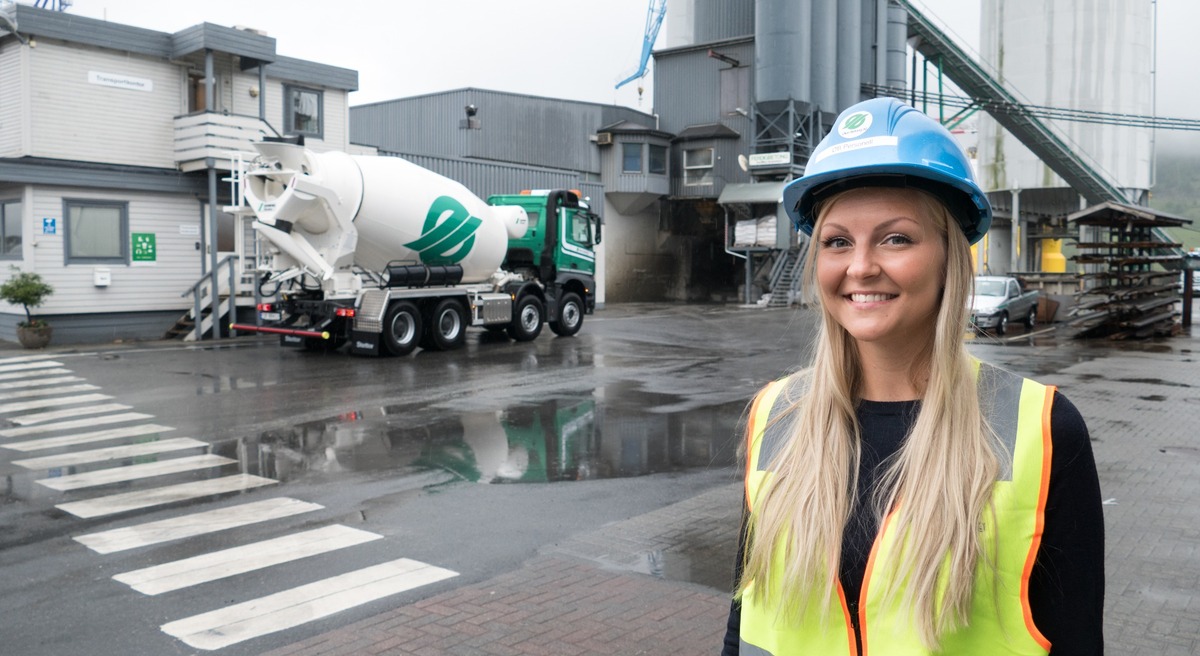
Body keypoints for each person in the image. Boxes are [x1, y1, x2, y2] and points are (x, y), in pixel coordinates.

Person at [722, 97, 1104, 655]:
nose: (860, 267)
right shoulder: (776, 417)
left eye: (895, 238)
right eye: (837, 242)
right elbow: (743, 627)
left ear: (950, 257)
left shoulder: (1043, 432)